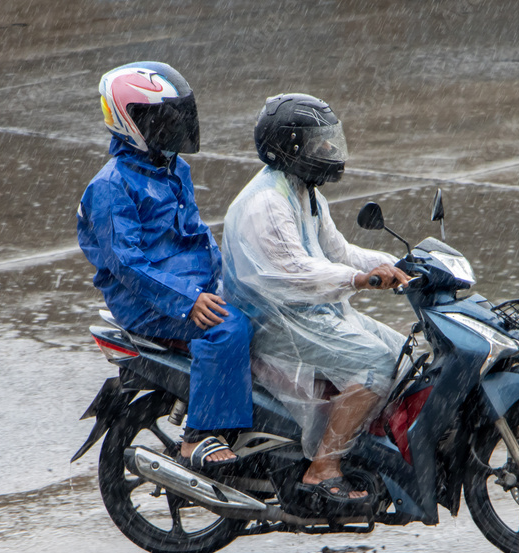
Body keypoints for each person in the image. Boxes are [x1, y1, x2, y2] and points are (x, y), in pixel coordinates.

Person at [221, 93, 411, 505]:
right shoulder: (267, 203)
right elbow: (297, 273)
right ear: (290, 147)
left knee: (404, 353)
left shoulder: (303, 192)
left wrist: (403, 263)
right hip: (275, 321)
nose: (328, 150)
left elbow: (338, 253)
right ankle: (322, 467)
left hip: (307, 312)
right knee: (377, 364)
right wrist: (360, 280)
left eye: (329, 140)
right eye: (317, 142)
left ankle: (366, 447)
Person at [77, 61, 253, 472]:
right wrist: (188, 300)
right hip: (149, 301)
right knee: (229, 328)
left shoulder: (173, 168)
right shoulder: (110, 186)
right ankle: (198, 438)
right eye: (162, 120)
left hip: (189, 286)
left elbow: (193, 233)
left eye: (178, 118)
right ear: (131, 121)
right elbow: (128, 265)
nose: (174, 128)